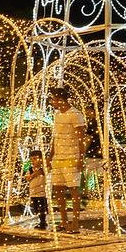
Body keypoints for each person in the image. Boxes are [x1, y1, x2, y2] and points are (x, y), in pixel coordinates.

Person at [48, 87, 86, 233]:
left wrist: (81, 158)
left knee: (74, 190)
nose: (52, 102)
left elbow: (81, 137)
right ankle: (63, 221)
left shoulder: (75, 114)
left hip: (71, 156)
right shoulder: (57, 114)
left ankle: (75, 223)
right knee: (58, 189)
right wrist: (50, 156)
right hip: (58, 156)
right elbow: (55, 136)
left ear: (61, 99)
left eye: (53, 99)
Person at [25, 150, 48, 230]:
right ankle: (40, 221)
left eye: (35, 159)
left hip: (41, 193)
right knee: (36, 208)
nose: (33, 161)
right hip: (33, 193)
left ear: (41, 159)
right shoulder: (31, 169)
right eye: (31, 159)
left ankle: (43, 222)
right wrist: (33, 174)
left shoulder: (43, 169)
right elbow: (27, 178)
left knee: (42, 208)